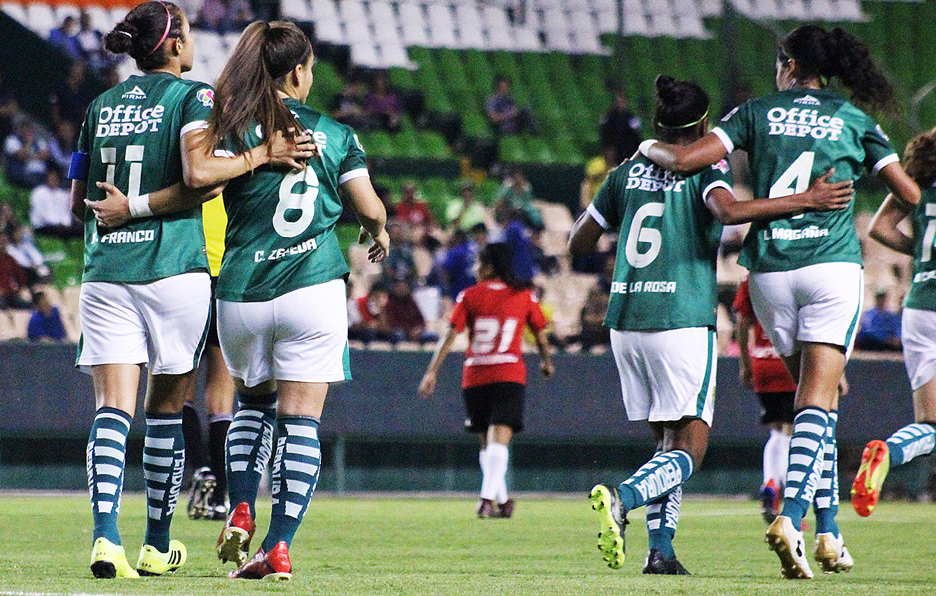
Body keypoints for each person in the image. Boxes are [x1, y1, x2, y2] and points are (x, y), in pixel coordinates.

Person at [637, 26, 920, 579]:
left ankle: (830, 534)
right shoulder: (854, 118)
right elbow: (908, 192)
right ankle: (790, 518)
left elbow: (687, 160)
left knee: (818, 406)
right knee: (818, 401)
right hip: (831, 268)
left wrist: (649, 146)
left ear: (789, 64)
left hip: (770, 273)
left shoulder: (755, 112)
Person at [568, 74, 853, 576]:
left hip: (626, 320)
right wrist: (804, 200)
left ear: (657, 122)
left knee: (666, 443)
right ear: (704, 128)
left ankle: (661, 552)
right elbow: (729, 211)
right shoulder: (706, 168)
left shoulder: (624, 172)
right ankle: (622, 497)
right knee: (690, 449)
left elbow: (578, 244)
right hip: (679, 317)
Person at [70, 1, 308, 580]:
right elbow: (201, 177)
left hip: (106, 270)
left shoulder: (100, 106)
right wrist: (262, 155)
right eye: (190, 33)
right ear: (175, 45)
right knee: (166, 410)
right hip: (174, 268)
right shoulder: (193, 96)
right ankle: (156, 543)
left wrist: (122, 210)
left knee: (111, 409)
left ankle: (105, 538)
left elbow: (80, 201)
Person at [185, 21, 387, 580]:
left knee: (252, 407)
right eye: (311, 69)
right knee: (300, 423)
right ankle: (277, 547)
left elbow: (200, 181)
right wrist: (378, 231)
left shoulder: (233, 129)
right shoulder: (335, 134)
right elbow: (370, 208)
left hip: (242, 292)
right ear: (297, 72)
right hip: (312, 290)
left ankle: (240, 507)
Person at [419, 242, 554, 518]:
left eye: (478, 264)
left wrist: (432, 371)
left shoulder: (468, 296)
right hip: (508, 374)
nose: (475, 269)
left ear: (490, 267)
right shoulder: (524, 296)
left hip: (475, 375)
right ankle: (486, 499)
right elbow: (540, 335)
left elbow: (450, 336)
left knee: (486, 443)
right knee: (498, 442)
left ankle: (502, 501)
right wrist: (546, 362)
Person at [852, 128, 936, 518]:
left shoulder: (913, 187)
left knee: (930, 423)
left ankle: (889, 452)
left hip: (919, 307)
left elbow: (879, 228)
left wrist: (920, 253)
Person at [183, 192, 235, 522]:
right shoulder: (237, 173)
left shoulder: (192, 176)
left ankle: (201, 467)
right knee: (221, 401)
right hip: (228, 279)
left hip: (190, 276)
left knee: (180, 393)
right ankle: (220, 497)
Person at [734, 276, 798, 523]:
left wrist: (745, 363)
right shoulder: (793, 271)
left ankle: (770, 483)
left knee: (776, 430)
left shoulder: (750, 280)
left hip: (762, 362)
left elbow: (742, 323)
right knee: (791, 433)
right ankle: (785, 501)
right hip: (788, 361)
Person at [31, 167, 81, 240]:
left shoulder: (62, 194)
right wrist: (56, 223)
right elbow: (41, 214)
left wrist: (65, 223)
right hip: (43, 225)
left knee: (79, 229)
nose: (53, 180)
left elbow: (65, 213)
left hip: (61, 226)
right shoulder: (38, 192)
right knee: (58, 230)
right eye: (51, 177)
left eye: (55, 178)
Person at [598, 88, 643, 163]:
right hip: (616, 153)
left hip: (630, 151)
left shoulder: (631, 117)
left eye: (623, 101)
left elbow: (637, 135)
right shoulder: (609, 118)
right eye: (619, 101)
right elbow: (606, 136)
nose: (621, 104)